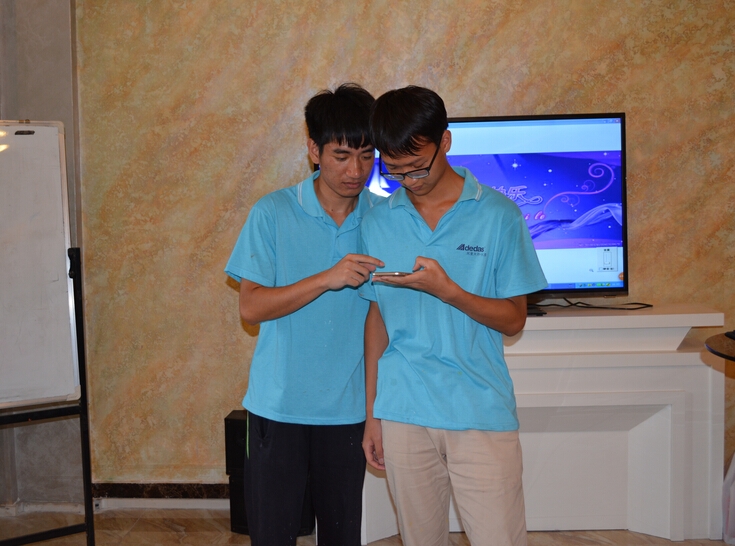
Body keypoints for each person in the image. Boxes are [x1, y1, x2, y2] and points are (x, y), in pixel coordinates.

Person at [359, 86, 548, 546]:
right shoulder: (378, 220)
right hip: (403, 409)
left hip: (478, 407)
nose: (409, 180)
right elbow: (377, 316)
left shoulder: (498, 215)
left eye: (417, 166)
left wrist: (451, 292)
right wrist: (372, 414)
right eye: (394, 169)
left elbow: (514, 320)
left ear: (445, 141)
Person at [225, 83, 384, 546]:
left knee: (342, 536)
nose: (355, 170)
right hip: (278, 409)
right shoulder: (273, 213)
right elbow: (250, 307)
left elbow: (383, 322)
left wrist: (374, 413)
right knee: (272, 536)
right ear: (314, 150)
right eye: (341, 156)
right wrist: (325, 278)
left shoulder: (385, 218)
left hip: (348, 412)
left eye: (366, 155)